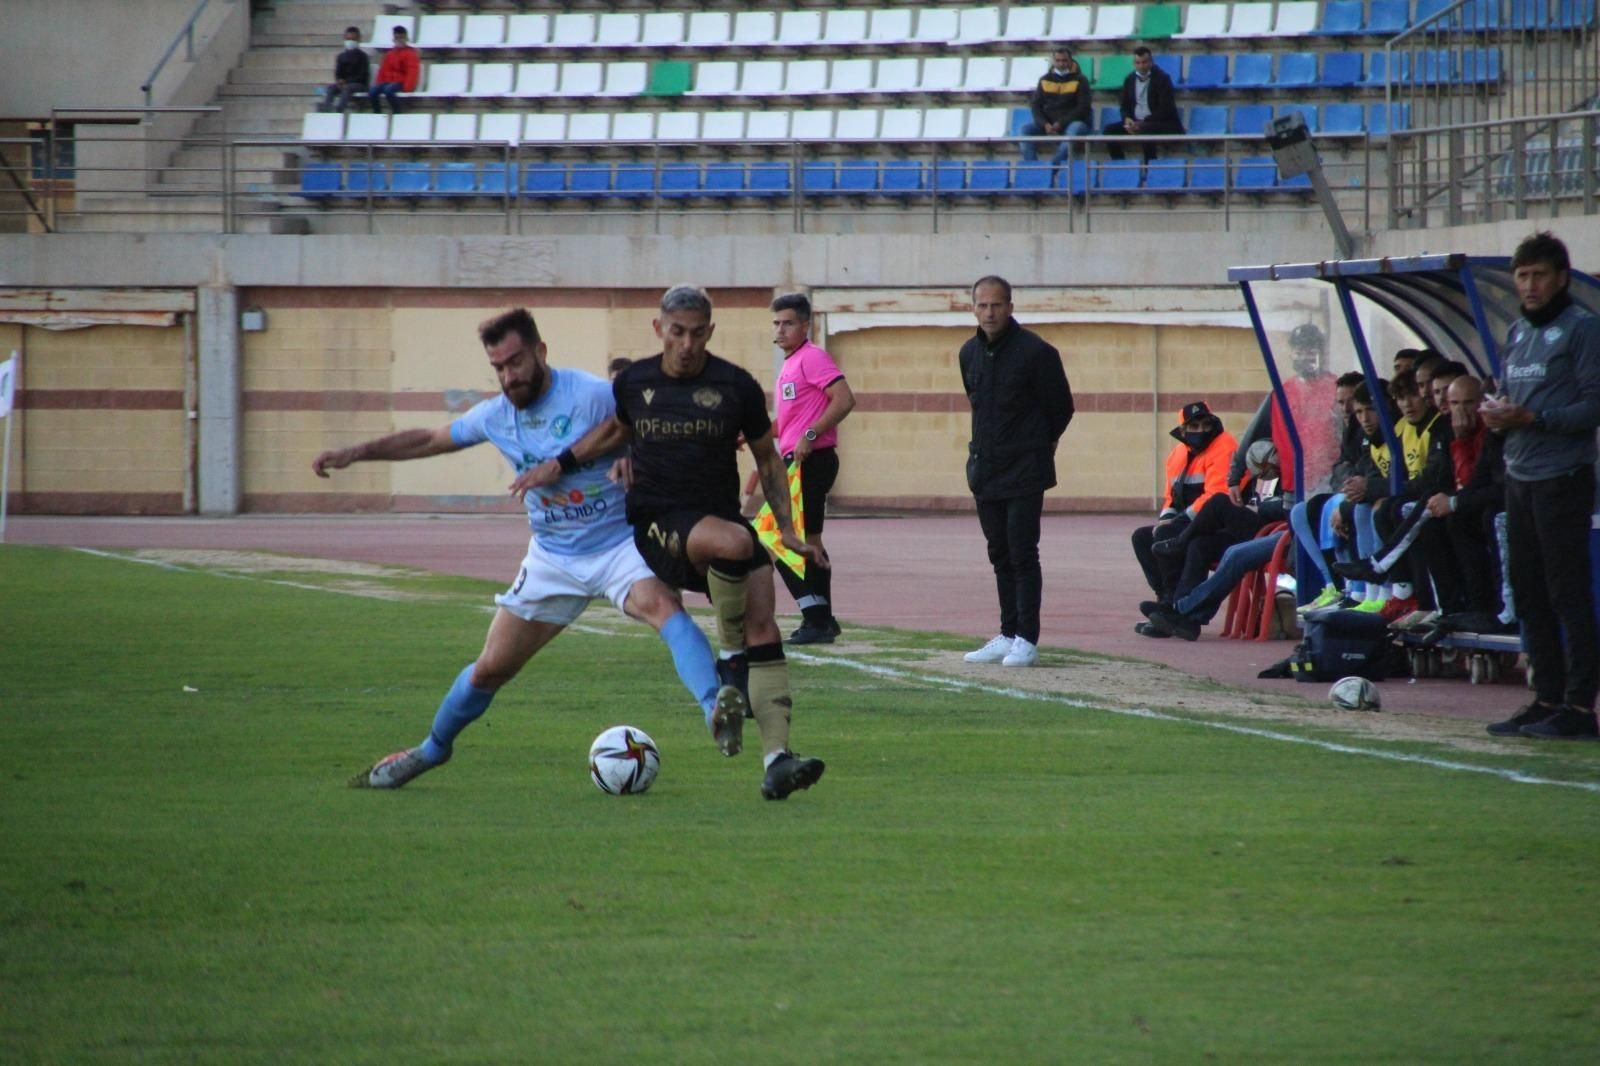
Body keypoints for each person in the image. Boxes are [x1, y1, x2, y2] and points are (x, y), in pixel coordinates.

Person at [314, 309, 745, 790]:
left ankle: (714, 708)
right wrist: (357, 452)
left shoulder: (589, 396)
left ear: (540, 352)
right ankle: (430, 750)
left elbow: (643, 419)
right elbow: (430, 439)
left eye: (515, 362)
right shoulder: (496, 416)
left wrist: (628, 456)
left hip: (619, 543)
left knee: (663, 608)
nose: (508, 376)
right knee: (490, 668)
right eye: (498, 367)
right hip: (552, 559)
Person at [519, 285, 830, 799]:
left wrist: (791, 531)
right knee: (736, 543)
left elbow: (769, 460)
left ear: (711, 331)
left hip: (718, 521)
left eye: (697, 333)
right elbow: (615, 431)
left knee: (763, 620)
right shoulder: (636, 381)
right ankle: (729, 665)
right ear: (659, 329)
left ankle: (776, 760)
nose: (686, 343)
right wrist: (562, 464)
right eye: (677, 332)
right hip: (659, 525)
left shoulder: (737, 387)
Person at [1481, 231, 1600, 740]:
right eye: (1522, 276)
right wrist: (1496, 415)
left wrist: (1534, 417)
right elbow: (1510, 393)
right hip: (1519, 476)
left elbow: (1594, 406)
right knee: (1528, 593)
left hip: (1562, 477)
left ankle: (1579, 707)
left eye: (1539, 275)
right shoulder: (1517, 333)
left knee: (1566, 593)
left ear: (1560, 278)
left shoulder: (1583, 330)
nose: (1529, 286)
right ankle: (1545, 697)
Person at [960, 275, 1074, 667]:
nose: (989, 312)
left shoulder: (1036, 353)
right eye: (982, 305)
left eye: (996, 305)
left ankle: (1027, 638)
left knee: (1023, 552)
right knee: (999, 554)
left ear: (1010, 306)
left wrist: (1039, 442)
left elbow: (1061, 408)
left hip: (1025, 469)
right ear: (972, 308)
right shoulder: (968, 354)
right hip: (985, 470)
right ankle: (1008, 632)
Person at [770, 292, 856, 645]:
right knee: (811, 541)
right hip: (803, 459)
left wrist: (810, 433)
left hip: (810, 460)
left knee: (779, 540)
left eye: (788, 323)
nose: (781, 329)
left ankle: (815, 617)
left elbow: (845, 399)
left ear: (806, 325)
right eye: (776, 323)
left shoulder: (812, 358)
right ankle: (825, 620)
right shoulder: (790, 365)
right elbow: (789, 423)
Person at [1132, 401, 1237, 617]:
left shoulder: (1224, 446)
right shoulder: (1177, 455)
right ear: (1182, 431)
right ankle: (1163, 597)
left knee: (1168, 535)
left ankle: (1172, 605)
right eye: (1194, 427)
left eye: (1206, 425)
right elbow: (1171, 497)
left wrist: (1177, 522)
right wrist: (1166, 519)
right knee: (1142, 537)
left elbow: (1216, 495)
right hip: (1190, 522)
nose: (1201, 431)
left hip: (1220, 524)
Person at [1227, 322, 1339, 499]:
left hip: (1331, 483)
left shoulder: (1336, 388)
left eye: (1310, 351)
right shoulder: (1281, 394)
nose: (1304, 357)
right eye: (1299, 352)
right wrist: (1234, 478)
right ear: (1291, 354)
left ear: (1321, 353)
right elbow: (1254, 433)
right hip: (1291, 487)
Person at [1105, 46, 1185, 163]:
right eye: (1138, 63)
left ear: (1151, 62)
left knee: (1145, 129)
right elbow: (1124, 105)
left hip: (1160, 123)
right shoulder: (1129, 79)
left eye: (1144, 62)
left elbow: (1166, 109)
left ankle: (1150, 166)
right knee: (1109, 131)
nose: (1141, 66)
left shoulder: (1162, 79)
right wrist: (1127, 119)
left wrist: (1143, 123)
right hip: (1136, 122)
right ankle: (1120, 165)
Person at [1019, 46, 1092, 167]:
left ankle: (1053, 167)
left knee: (1073, 132)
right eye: (1058, 60)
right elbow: (1036, 105)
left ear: (1070, 61)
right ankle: (1033, 168)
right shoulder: (1044, 79)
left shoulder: (1080, 80)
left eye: (1064, 60)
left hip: (1072, 122)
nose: (1061, 64)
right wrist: (1044, 124)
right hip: (1048, 124)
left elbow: (1083, 108)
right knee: (1024, 131)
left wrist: (1061, 123)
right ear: (1053, 61)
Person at [369, 25, 420, 115]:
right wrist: (379, 83)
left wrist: (408, 88)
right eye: (397, 37)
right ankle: (377, 113)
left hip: (401, 82)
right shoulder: (390, 54)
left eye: (401, 37)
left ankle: (397, 112)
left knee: (388, 90)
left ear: (406, 38)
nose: (399, 40)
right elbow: (383, 70)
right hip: (388, 82)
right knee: (373, 91)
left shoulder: (411, 54)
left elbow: (412, 72)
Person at [320, 26, 370, 114]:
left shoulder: (363, 57)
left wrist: (346, 82)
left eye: (353, 39)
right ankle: (327, 109)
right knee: (331, 88)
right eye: (348, 39)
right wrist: (339, 81)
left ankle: (339, 109)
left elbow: (363, 75)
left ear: (358, 40)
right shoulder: (341, 56)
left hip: (359, 84)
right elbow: (338, 73)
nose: (350, 41)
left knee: (347, 88)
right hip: (344, 83)